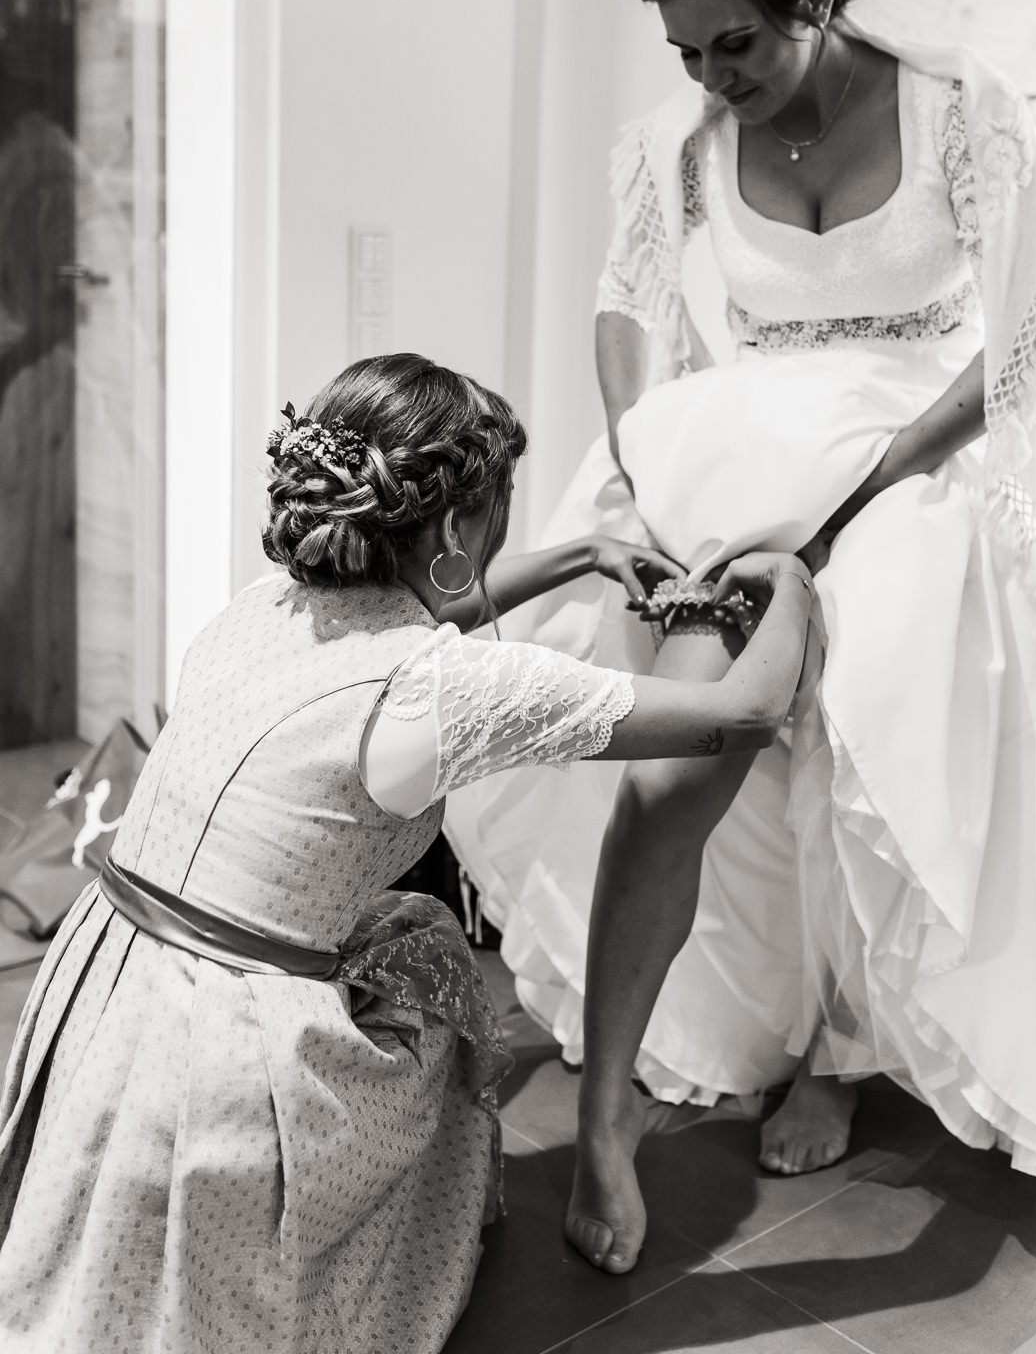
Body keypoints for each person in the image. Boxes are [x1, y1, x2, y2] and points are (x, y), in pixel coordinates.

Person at [444, 0, 1036, 1274]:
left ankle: (835, 1050)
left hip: (913, 454)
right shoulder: (677, 142)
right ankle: (602, 1113)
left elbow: (1027, 335)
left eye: (735, 44)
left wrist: (870, 486)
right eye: (685, 52)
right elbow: (626, 300)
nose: (711, 79)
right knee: (671, 767)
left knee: (865, 714)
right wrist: (639, 453)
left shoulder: (959, 110)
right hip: (735, 460)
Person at [0, 351, 813, 1353]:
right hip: (225, 1060)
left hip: (105, 990)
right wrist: (792, 581)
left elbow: (427, 613)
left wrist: (579, 555)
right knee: (425, 952)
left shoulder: (266, 603)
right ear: (457, 529)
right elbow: (741, 712)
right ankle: (363, 1233)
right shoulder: (442, 689)